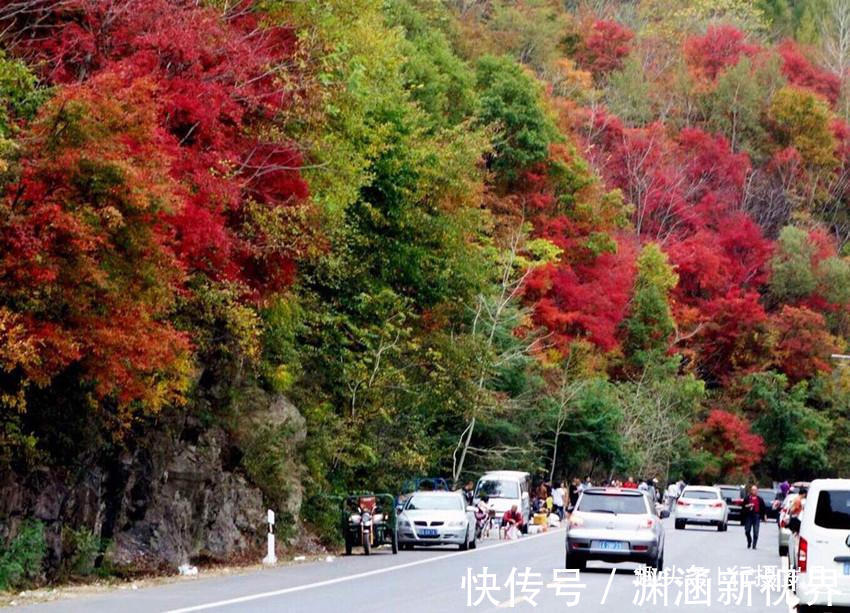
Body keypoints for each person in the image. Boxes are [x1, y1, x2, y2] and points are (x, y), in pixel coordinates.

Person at [743, 485, 767, 549]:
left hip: (756, 516)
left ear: (757, 491)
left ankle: (754, 545)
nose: (754, 491)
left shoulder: (760, 499)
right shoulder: (747, 498)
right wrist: (748, 505)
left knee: (756, 531)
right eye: (753, 490)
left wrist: (764, 516)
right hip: (749, 515)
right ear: (751, 491)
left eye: (755, 490)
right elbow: (743, 506)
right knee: (747, 531)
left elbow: (763, 508)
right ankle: (749, 540)